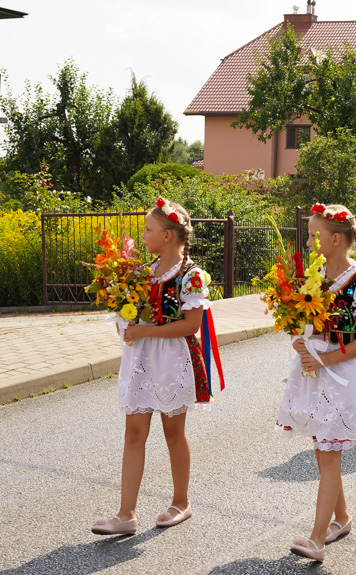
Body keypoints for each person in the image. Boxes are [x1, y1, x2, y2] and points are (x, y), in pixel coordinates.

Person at [91, 198, 211, 535]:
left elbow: (191, 325)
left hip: (173, 360)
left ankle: (181, 502)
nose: (143, 235)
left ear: (169, 235)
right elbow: (129, 312)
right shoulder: (140, 274)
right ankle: (126, 513)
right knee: (133, 432)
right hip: (142, 358)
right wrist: (125, 321)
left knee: (173, 432)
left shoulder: (191, 276)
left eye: (148, 229)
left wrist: (147, 330)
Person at [280, 204, 356, 562]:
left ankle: (316, 539)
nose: (309, 241)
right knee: (323, 449)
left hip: (341, 375)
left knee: (328, 453)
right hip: (313, 373)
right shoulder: (316, 273)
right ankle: (342, 518)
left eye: (314, 235)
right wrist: (299, 340)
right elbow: (302, 322)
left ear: (335, 239)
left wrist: (326, 356)